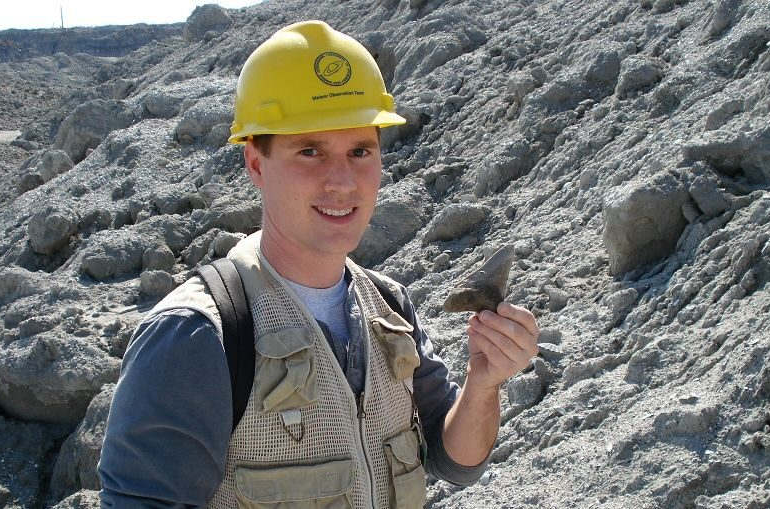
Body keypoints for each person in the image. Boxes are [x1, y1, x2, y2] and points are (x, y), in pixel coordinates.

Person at [98, 20, 539, 508]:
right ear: (257, 164)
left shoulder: (389, 307)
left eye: (360, 151)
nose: (342, 182)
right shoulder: (197, 336)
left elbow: (454, 461)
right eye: (309, 151)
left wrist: (483, 383)